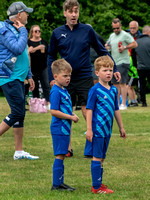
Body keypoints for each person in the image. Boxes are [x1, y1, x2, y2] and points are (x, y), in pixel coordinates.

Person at [47, 0, 121, 156]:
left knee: (88, 110)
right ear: (65, 13)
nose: (74, 14)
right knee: (65, 112)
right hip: (65, 79)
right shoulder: (57, 32)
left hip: (85, 77)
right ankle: (67, 149)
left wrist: (114, 67)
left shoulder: (87, 30)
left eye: (76, 11)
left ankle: (91, 146)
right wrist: (51, 77)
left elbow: (102, 50)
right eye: (70, 11)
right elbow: (51, 56)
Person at [0, 2, 39, 160]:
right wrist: (23, 31)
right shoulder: (5, 30)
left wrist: (29, 75)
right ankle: (18, 151)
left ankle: (19, 151)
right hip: (9, 77)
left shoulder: (14, 28)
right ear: (18, 15)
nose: (28, 15)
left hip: (18, 77)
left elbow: (22, 53)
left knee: (20, 114)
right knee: (17, 112)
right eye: (25, 12)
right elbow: (17, 48)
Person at [86, 55, 126, 194]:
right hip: (97, 130)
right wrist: (89, 129)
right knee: (97, 156)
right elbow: (89, 110)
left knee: (102, 157)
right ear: (97, 73)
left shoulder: (114, 90)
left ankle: (99, 183)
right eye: (105, 70)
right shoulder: (95, 90)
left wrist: (121, 127)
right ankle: (96, 187)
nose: (108, 73)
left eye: (110, 70)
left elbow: (116, 109)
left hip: (107, 130)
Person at [50, 59, 79, 191]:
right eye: (65, 76)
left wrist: (72, 114)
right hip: (59, 128)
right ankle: (56, 185)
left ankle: (60, 182)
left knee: (62, 155)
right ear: (55, 76)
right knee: (60, 155)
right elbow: (54, 111)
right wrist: (70, 117)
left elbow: (65, 108)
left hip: (65, 128)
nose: (68, 78)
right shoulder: (56, 91)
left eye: (69, 76)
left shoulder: (63, 90)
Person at [105, 18, 137, 110]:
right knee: (115, 84)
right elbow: (109, 47)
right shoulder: (111, 36)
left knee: (122, 83)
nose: (116, 30)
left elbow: (135, 44)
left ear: (121, 26)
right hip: (114, 63)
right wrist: (107, 47)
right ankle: (116, 104)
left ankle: (123, 104)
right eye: (114, 28)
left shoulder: (125, 35)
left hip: (123, 62)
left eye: (117, 28)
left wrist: (125, 47)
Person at [28, 25, 50, 110]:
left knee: (46, 85)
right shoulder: (28, 42)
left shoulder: (43, 42)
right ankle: (36, 105)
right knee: (35, 86)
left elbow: (47, 53)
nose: (38, 33)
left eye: (39, 31)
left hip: (43, 67)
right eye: (36, 31)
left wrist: (35, 49)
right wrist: (37, 48)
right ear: (32, 33)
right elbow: (28, 51)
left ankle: (48, 103)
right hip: (32, 68)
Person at [127, 21, 142, 107]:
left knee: (135, 83)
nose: (132, 30)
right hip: (128, 61)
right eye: (131, 28)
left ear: (137, 28)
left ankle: (137, 99)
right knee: (129, 83)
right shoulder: (126, 35)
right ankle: (134, 100)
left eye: (134, 28)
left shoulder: (140, 37)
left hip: (137, 61)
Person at [135, 25, 150, 107]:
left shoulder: (137, 42)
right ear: (148, 32)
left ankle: (144, 102)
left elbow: (133, 55)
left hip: (140, 67)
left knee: (142, 85)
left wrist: (135, 65)